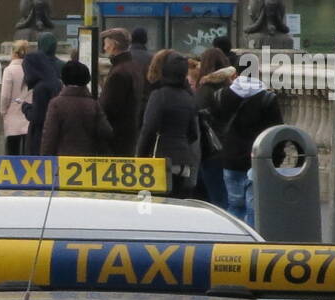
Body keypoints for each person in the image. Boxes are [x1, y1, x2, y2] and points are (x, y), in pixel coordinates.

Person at [216, 71, 284, 226]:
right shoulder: (267, 99)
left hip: (230, 159)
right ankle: (251, 243)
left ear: (236, 73)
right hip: (257, 160)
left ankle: (234, 241)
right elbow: (276, 134)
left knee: (234, 206)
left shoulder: (223, 95)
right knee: (254, 208)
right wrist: (277, 160)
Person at [137, 51, 200, 199]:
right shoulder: (188, 97)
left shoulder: (159, 95)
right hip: (184, 161)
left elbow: (149, 129)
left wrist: (140, 158)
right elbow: (193, 134)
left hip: (161, 158)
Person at [192, 48, 237, 209]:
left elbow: (198, 119)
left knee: (215, 200)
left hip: (210, 149)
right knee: (231, 197)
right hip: (230, 146)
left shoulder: (204, 90)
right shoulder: (232, 88)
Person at [41, 60, 112, 156]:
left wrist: (45, 162)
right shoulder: (93, 104)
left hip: (63, 161)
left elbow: (49, 137)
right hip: (89, 161)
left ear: (63, 79)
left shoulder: (56, 104)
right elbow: (106, 131)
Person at [98, 27, 144, 156]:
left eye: (106, 43)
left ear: (114, 45)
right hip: (129, 135)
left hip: (116, 137)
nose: (104, 47)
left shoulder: (118, 73)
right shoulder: (133, 67)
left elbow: (108, 106)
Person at [21, 32, 64, 154]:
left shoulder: (41, 86)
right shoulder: (58, 73)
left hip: (41, 136)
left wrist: (26, 108)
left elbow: (37, 116)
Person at [0, 40, 30, 155]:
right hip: (28, 117)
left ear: (13, 53)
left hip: (12, 118)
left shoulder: (9, 70)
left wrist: (3, 111)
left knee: (12, 154)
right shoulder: (31, 69)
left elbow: (5, 96)